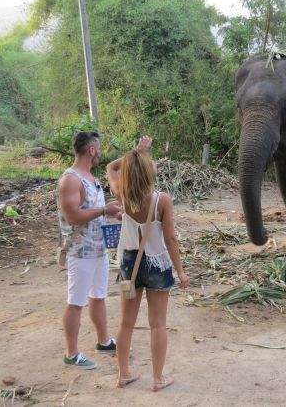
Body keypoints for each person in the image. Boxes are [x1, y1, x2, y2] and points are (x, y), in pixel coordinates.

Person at [106, 137, 190, 391]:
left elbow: (111, 167)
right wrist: (181, 272)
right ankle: (157, 378)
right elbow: (171, 238)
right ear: (147, 170)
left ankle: (123, 374)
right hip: (157, 264)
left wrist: (135, 153)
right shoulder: (161, 200)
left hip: (128, 264)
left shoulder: (122, 193)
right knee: (158, 324)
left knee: (125, 323)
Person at [57, 131, 121, 369]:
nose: (100, 153)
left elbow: (95, 211)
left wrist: (112, 211)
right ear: (92, 150)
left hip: (98, 249)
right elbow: (73, 216)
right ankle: (71, 354)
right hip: (80, 251)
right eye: (99, 149)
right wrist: (104, 211)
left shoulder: (91, 178)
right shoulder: (71, 179)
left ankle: (103, 341)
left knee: (98, 297)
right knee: (76, 302)